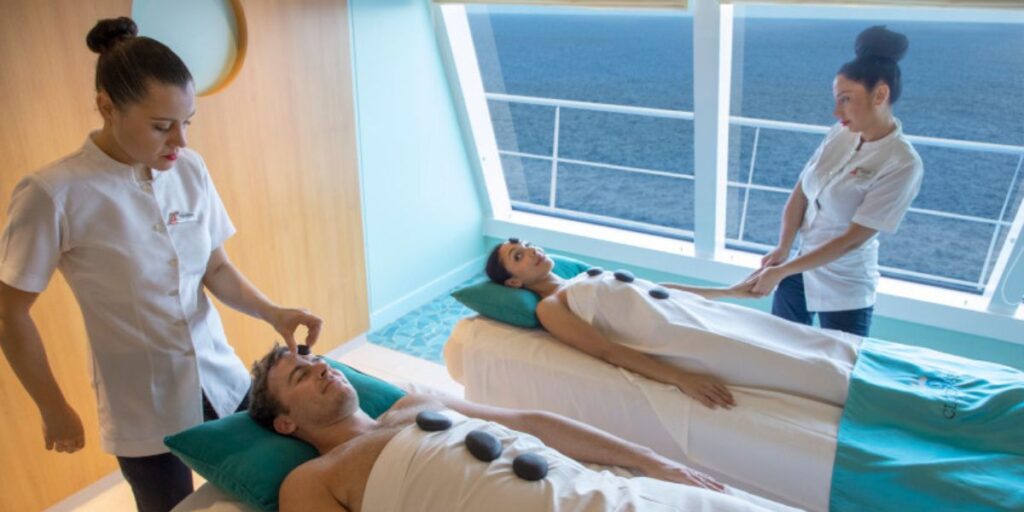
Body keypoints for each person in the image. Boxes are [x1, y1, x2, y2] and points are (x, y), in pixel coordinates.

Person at [0, 17, 321, 512]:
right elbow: (10, 311)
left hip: (221, 376)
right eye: (161, 126)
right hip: (142, 406)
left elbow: (214, 268)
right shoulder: (53, 193)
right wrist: (52, 407)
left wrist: (272, 312)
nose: (181, 141)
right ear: (107, 106)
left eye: (187, 121)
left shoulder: (188, 169)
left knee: (279, 487)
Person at [248, 346, 796, 512]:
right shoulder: (314, 480)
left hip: (613, 497)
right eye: (300, 374)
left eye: (319, 359)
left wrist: (653, 462)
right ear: (284, 421)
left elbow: (531, 423)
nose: (322, 367)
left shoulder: (413, 403)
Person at [485, 239, 864, 409]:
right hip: (682, 338)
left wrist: (729, 293)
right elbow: (605, 349)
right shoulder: (549, 307)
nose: (533, 251)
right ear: (514, 283)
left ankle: (873, 376)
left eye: (529, 245)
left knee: (801, 339)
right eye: (519, 256)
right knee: (799, 364)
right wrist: (681, 378)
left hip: (697, 314)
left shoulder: (577, 278)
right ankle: (868, 399)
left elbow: (655, 290)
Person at [744, 25, 924, 337]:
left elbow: (852, 239)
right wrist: (783, 248)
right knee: (779, 347)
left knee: (838, 370)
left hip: (844, 285)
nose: (835, 110)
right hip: (799, 268)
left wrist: (783, 270)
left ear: (880, 94)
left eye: (845, 99)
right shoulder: (841, 132)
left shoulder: (902, 163)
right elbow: (801, 191)